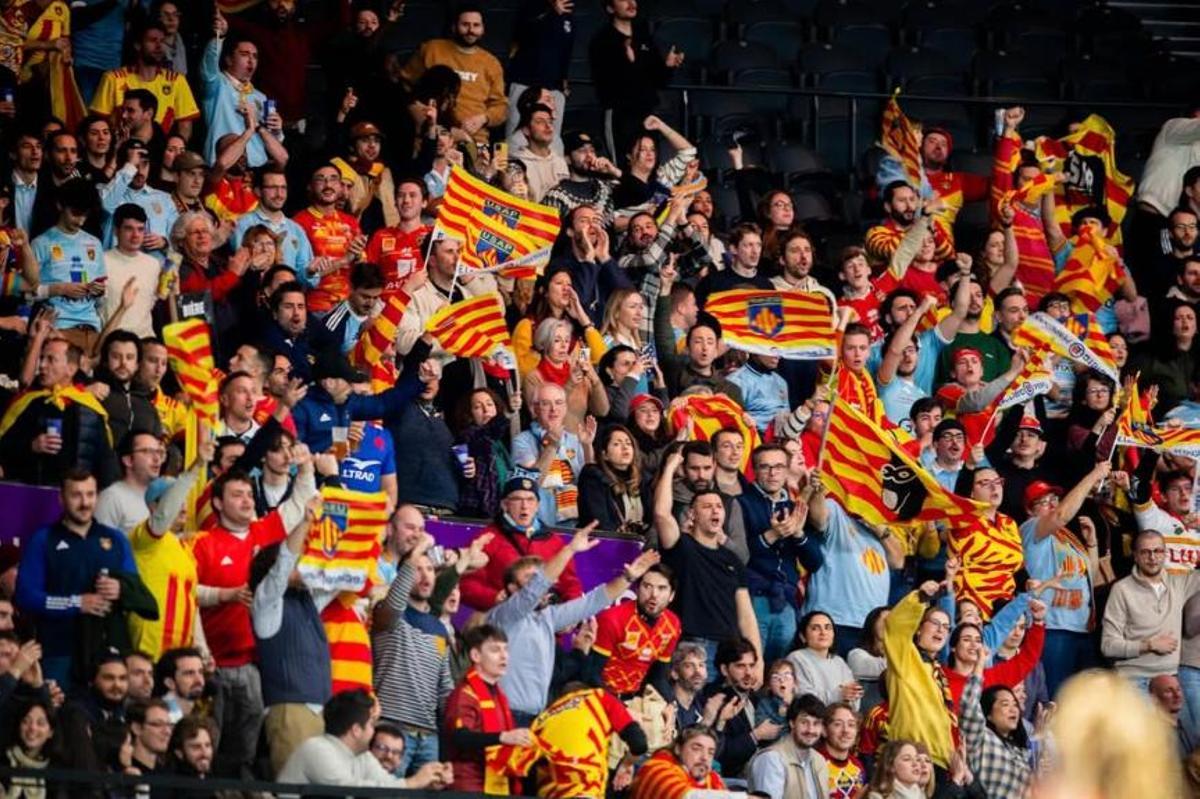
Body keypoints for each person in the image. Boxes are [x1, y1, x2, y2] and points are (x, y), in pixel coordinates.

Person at [487, 523, 660, 722]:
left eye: (539, 577)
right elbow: (536, 588)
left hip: (536, 718)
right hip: (504, 717)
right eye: (530, 578)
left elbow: (593, 601)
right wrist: (569, 550)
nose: (541, 585)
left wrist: (628, 577)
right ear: (512, 588)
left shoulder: (546, 617)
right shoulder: (504, 615)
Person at [14, 468, 139, 687]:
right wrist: (75, 603)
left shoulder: (116, 539)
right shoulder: (43, 540)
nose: (85, 503)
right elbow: (26, 596)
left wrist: (121, 588)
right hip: (60, 650)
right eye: (76, 495)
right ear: (61, 498)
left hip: (108, 652)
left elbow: (135, 586)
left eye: (90, 494)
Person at [654, 449, 763, 676]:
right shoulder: (682, 547)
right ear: (692, 515)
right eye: (707, 506)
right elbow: (662, 514)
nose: (715, 510)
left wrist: (758, 659)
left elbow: (746, 615)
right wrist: (671, 468)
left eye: (719, 506)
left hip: (729, 650)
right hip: (692, 646)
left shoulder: (732, 559)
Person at [277, 688, 452, 790]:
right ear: (356, 730)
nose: (373, 731)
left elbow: (388, 786)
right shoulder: (317, 749)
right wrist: (413, 782)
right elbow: (349, 791)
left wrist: (428, 781)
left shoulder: (361, 756)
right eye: (370, 724)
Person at [457, 475, 584, 612]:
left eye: (530, 499)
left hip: (545, 619)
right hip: (504, 617)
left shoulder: (554, 541)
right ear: (505, 505)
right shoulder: (487, 538)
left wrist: (573, 613)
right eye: (517, 499)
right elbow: (467, 584)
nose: (524, 506)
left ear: (537, 506)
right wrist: (495, 598)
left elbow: (570, 584)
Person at [1102, 529, 1200, 687]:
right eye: (1145, 552)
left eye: (1157, 551)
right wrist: (1148, 646)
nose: (1152, 557)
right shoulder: (1121, 589)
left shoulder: (1179, 584)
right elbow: (1108, 646)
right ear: (1135, 556)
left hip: (1170, 679)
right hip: (1133, 679)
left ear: (1165, 554)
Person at [442, 624, 532, 794]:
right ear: (475, 655)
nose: (504, 655)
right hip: (468, 786)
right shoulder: (465, 693)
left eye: (506, 649)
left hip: (496, 785)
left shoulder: (500, 696)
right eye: (495, 650)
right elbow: (460, 737)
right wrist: (503, 737)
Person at [588, 0, 683, 160]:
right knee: (623, 167)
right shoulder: (603, 41)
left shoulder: (643, 36)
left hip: (647, 114)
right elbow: (607, 87)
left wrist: (668, 66)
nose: (631, 2)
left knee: (649, 166)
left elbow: (659, 81)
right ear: (610, 8)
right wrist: (629, 64)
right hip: (620, 116)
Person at [400, 4, 506, 144]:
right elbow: (405, 86)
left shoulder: (491, 63)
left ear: (483, 29)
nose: (471, 30)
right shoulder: (432, 49)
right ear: (454, 27)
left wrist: (483, 118)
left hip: (476, 138)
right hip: (433, 132)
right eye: (465, 24)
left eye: (476, 25)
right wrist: (425, 117)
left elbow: (501, 107)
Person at [202, 12, 286, 169]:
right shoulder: (217, 85)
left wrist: (277, 131)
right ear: (228, 59)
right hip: (223, 166)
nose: (251, 60)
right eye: (244, 54)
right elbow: (209, 66)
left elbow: (272, 144)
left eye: (255, 56)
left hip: (256, 168)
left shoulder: (260, 97)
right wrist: (218, 37)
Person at [747, 693, 831, 799]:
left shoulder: (819, 760)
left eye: (816, 723)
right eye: (804, 722)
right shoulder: (772, 759)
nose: (810, 730)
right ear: (792, 723)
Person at [629, 724, 729, 799]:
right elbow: (685, 796)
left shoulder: (712, 778)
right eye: (696, 749)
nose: (705, 757)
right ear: (678, 749)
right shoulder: (657, 769)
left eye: (710, 753)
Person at [787, 612, 862, 711]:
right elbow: (804, 698)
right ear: (802, 636)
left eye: (828, 628)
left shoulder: (839, 661)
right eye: (815, 628)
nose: (823, 632)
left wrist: (852, 694)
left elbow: (853, 700)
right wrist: (839, 695)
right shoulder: (796, 658)